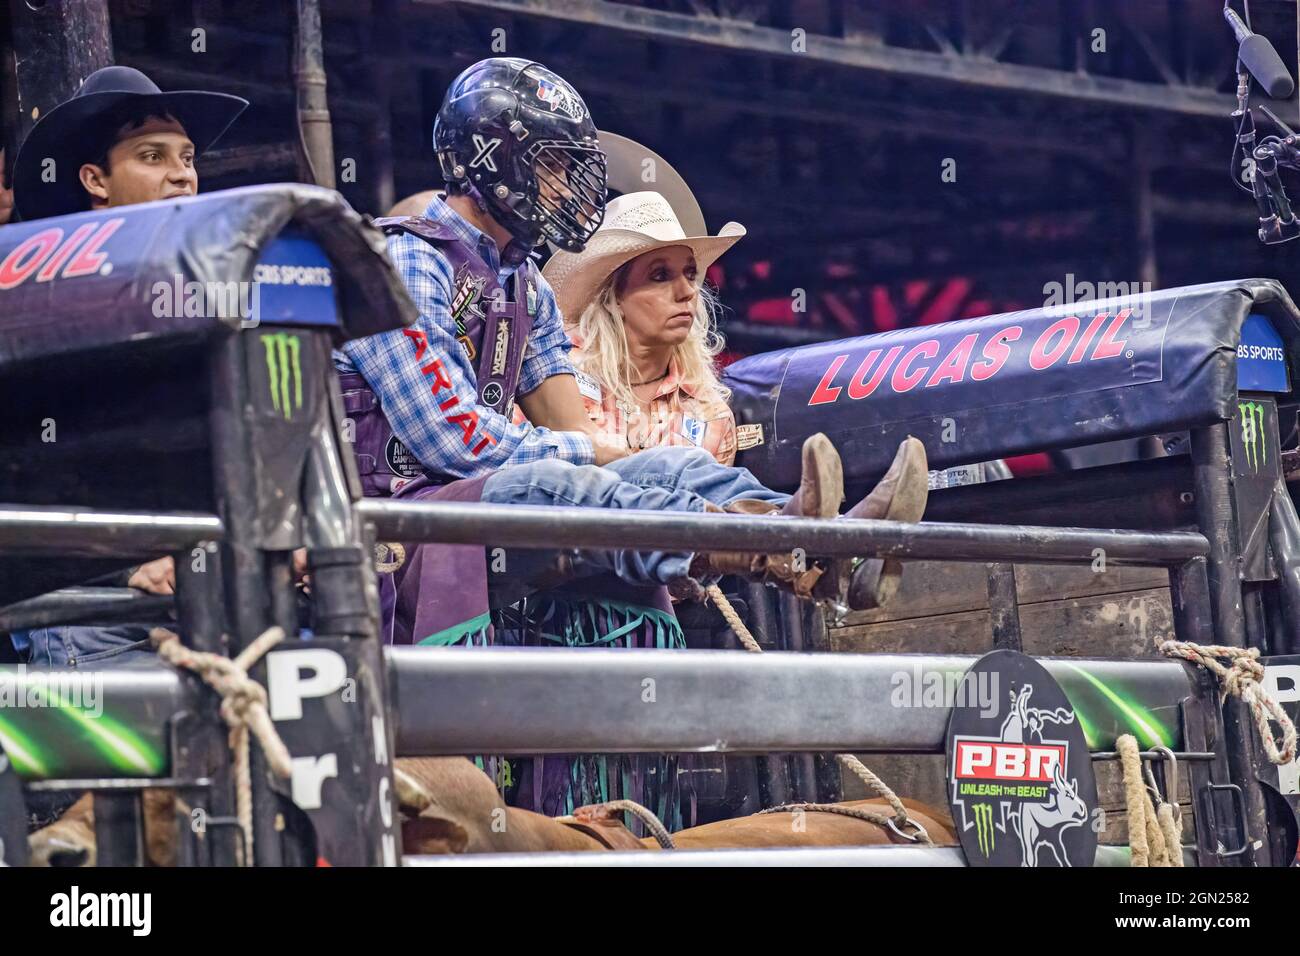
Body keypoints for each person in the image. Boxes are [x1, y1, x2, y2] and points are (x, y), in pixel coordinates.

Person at [336, 55, 929, 654]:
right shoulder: (404, 261)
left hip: (477, 502)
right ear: (491, 161)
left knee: (672, 466)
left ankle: (827, 541)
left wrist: (608, 456)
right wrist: (591, 450)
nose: (569, 188)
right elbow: (452, 442)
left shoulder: (525, 285)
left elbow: (580, 444)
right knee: (558, 481)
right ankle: (782, 546)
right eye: (553, 168)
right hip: (402, 513)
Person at [8, 66, 247, 669]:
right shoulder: (49, 296)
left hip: (217, 601)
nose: (181, 173)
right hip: (89, 612)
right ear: (95, 179)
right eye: (152, 155)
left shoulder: (201, 297)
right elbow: (36, 466)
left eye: (188, 157)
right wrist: (130, 558)